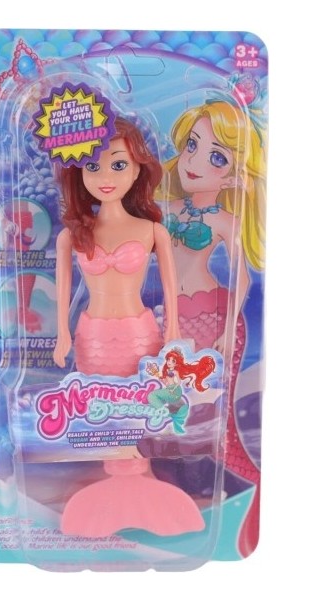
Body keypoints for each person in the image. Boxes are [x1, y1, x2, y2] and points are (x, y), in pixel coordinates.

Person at [54, 116, 204, 537]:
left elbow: (172, 290)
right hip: (92, 339)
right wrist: (62, 335)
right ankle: (115, 488)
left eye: (118, 164)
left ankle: (141, 484)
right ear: (78, 172)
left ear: (139, 168)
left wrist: (173, 333)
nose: (105, 177)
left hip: (141, 337)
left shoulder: (152, 231)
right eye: (93, 166)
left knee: (143, 410)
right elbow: (63, 294)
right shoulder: (73, 235)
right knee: (103, 412)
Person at [164, 98, 266, 556]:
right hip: (173, 318)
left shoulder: (226, 220)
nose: (195, 161)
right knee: (169, 410)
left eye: (216, 157)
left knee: (215, 422)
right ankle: (177, 491)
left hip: (213, 317)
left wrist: (226, 328)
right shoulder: (167, 209)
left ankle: (256, 483)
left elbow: (242, 277)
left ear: (233, 175)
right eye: (192, 145)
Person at [147, 349, 215, 434]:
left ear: (176, 363)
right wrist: (161, 378)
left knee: (152, 395)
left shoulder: (175, 371)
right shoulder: (167, 371)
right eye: (168, 359)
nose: (169, 362)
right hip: (170, 390)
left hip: (175, 390)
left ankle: (163, 411)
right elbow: (167, 383)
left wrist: (173, 389)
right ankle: (166, 413)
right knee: (156, 398)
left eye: (173, 361)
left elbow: (178, 382)